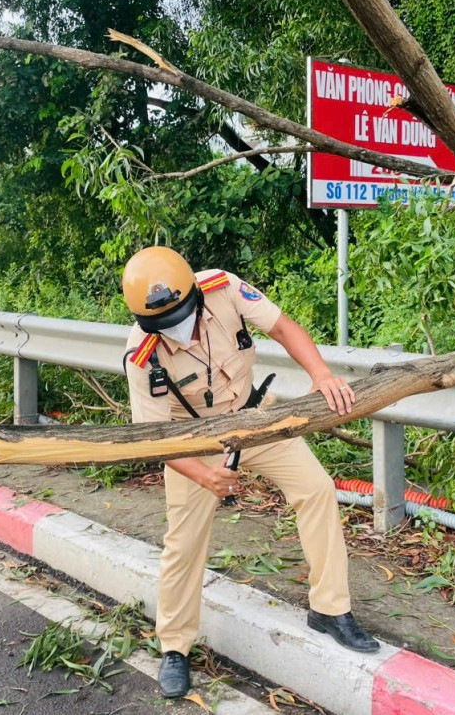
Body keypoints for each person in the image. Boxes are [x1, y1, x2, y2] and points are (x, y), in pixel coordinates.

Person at [121, 246, 380, 699]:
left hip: (254, 417)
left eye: (180, 313)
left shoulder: (222, 287)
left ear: (194, 295)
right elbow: (155, 438)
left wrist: (321, 375)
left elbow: (282, 327)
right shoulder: (142, 356)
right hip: (192, 441)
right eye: (162, 323)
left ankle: (330, 610)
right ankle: (175, 648)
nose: (176, 327)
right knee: (183, 543)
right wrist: (204, 477)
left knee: (317, 488)